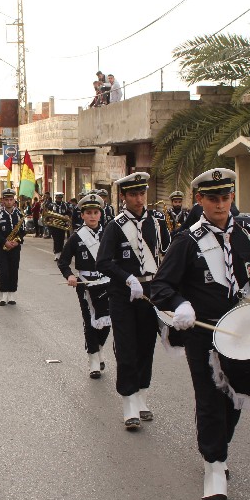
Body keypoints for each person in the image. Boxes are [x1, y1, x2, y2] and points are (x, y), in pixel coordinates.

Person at [150, 168, 250, 500]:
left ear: (232, 198)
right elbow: (160, 286)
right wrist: (180, 304)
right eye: (213, 198)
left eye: (226, 197)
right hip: (204, 335)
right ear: (200, 200)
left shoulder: (248, 233)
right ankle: (214, 467)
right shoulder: (187, 241)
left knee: (236, 399)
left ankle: (218, 450)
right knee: (209, 398)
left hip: (245, 331)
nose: (220, 204)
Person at [96, 172, 169, 430]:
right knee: (127, 347)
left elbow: (165, 255)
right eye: (134, 195)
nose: (139, 199)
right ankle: (128, 402)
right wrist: (127, 278)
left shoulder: (156, 222)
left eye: (142, 193)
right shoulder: (114, 226)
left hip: (149, 292)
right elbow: (102, 262)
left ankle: (141, 395)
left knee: (147, 346)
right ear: (124, 197)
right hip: (123, 294)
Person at [58, 193, 111, 378]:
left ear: (100, 214)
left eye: (96, 212)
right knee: (90, 323)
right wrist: (70, 275)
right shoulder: (76, 237)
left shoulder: (108, 234)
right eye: (88, 212)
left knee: (106, 322)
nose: (92, 216)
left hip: (107, 283)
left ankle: (100, 349)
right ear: (82, 215)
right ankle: (94, 361)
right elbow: (63, 262)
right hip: (86, 285)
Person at [0, 188, 25, 306]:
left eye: (11, 199)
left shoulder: (19, 214)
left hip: (15, 246)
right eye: (7, 200)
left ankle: (12, 294)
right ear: (2, 200)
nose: (9, 202)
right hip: (2, 247)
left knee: (13, 270)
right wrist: (5, 242)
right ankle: (4, 295)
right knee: (4, 270)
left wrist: (17, 241)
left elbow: (23, 231)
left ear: (14, 201)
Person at [48, 191, 71, 261]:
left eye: (60, 198)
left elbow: (69, 212)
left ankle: (60, 253)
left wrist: (68, 216)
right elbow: (48, 214)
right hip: (54, 225)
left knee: (61, 239)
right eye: (58, 197)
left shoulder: (65, 205)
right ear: (55, 198)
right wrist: (50, 218)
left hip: (62, 225)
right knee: (56, 239)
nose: (59, 199)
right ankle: (57, 254)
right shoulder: (51, 205)